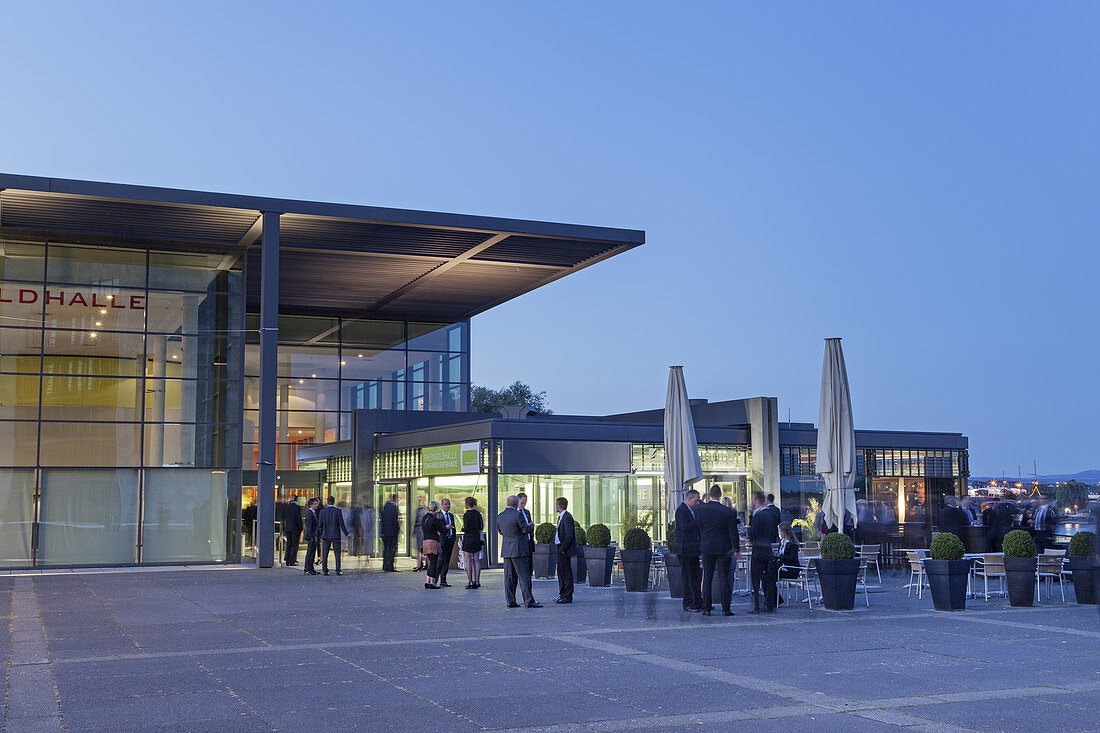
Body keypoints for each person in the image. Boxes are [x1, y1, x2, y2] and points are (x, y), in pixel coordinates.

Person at [694, 484, 739, 616]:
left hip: (707, 547)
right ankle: (726, 608)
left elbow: (698, 528)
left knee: (707, 577)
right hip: (723, 549)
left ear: (710, 494)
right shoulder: (727, 511)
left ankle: (707, 608)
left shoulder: (701, 510)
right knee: (724, 578)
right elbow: (733, 531)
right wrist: (736, 548)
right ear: (719, 495)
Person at [497, 495, 540, 608]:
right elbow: (525, 529)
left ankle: (510, 600)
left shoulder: (500, 516)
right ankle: (529, 600)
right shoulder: (518, 515)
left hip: (507, 550)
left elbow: (500, 531)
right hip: (519, 550)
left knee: (509, 577)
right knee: (523, 576)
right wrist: (531, 526)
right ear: (516, 504)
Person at [748, 491, 779, 613]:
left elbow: (753, 532)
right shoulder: (769, 514)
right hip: (767, 549)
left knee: (756, 578)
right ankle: (769, 604)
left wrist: (749, 531)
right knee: (767, 579)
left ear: (756, 501)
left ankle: (757, 605)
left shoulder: (758, 515)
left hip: (758, 550)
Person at [674, 488, 703, 612]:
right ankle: (688, 603)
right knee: (688, 576)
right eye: (696, 501)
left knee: (695, 576)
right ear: (689, 499)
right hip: (685, 548)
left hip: (693, 548)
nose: (697, 503)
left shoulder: (692, 510)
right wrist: (697, 522)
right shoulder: (681, 510)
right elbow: (684, 527)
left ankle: (697, 601)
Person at [318, 496, 351, 576]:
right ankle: (338, 570)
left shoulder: (323, 512)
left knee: (325, 554)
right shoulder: (338, 511)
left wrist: (320, 533)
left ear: (327, 502)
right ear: (334, 502)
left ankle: (325, 570)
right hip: (336, 535)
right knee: (337, 554)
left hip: (326, 535)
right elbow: (341, 524)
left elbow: (320, 525)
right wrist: (347, 533)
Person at [553, 497, 576, 604]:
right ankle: (562, 594)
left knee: (566, 573)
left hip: (564, 550)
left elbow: (569, 535)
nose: (556, 506)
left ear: (560, 505)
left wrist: (563, 549)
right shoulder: (561, 517)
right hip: (560, 548)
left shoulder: (567, 517)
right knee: (561, 572)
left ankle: (567, 595)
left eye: (556, 504)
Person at [776, 522, 801, 606]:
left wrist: (781, 556)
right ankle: (775, 599)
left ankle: (776, 600)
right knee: (766, 576)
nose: (779, 534)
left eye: (780, 532)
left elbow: (793, 558)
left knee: (770, 577)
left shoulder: (792, 543)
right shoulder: (781, 542)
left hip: (791, 569)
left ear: (785, 532)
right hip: (782, 568)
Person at [461, 497, 483, 589]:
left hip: (468, 539)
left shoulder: (466, 515)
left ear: (467, 504)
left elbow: (466, 528)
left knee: (468, 561)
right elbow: (481, 527)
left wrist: (463, 529)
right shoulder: (478, 514)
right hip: (476, 538)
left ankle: (470, 581)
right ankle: (476, 581)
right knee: (476, 560)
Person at [422, 501, 444, 589]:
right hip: (433, 542)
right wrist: (446, 527)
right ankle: (432, 582)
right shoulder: (434, 519)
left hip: (425, 541)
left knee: (431, 561)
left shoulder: (424, 517)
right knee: (434, 562)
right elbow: (441, 528)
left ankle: (428, 580)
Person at [437, 498, 458, 587]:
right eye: (446, 504)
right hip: (442, 540)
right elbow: (437, 527)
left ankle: (443, 580)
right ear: (442, 505)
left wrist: (453, 537)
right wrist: (445, 527)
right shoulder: (438, 515)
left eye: (448, 504)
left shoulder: (451, 515)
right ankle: (434, 579)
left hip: (450, 539)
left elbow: (453, 527)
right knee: (441, 560)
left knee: (447, 560)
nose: (447, 506)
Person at [380, 495, 400, 572]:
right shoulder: (394, 508)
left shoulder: (385, 507)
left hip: (385, 532)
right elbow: (395, 521)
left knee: (386, 549)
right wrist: (398, 530)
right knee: (392, 549)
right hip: (392, 532)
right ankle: (390, 565)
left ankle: (385, 565)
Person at [281, 498, 303, 567]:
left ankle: (287, 559)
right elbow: (298, 518)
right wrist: (301, 527)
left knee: (289, 543)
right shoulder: (297, 508)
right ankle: (292, 560)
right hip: (295, 528)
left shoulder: (286, 507)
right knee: (295, 544)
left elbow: (283, 517)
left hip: (288, 528)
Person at [303, 498, 321, 575]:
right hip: (311, 537)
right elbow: (309, 526)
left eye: (316, 504)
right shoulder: (310, 514)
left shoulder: (313, 513)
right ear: (311, 505)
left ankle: (311, 568)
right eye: (315, 504)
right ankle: (308, 569)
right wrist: (312, 536)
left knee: (312, 552)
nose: (316, 505)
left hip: (313, 536)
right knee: (310, 552)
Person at [517, 492, 535, 557]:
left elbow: (530, 524)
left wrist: (531, 526)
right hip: (520, 542)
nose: (523, 505)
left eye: (525, 503)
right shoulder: (515, 513)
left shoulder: (526, 512)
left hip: (528, 540)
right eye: (522, 503)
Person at [413, 499, 427, 572]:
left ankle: (419, 565)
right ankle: (423, 564)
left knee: (419, 548)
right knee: (423, 548)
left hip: (420, 530)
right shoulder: (425, 511)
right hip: (423, 531)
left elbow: (416, 521)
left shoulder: (419, 511)